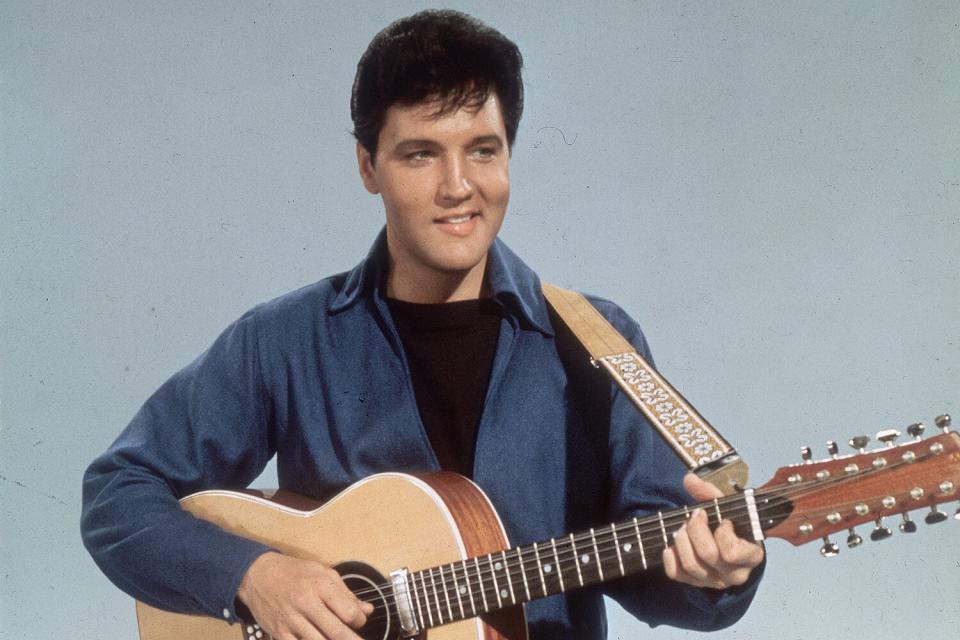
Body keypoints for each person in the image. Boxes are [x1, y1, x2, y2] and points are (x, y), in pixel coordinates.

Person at [81, 9, 764, 640]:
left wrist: (717, 574)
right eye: (421, 154)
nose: (458, 186)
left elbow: (659, 562)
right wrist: (253, 576)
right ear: (368, 166)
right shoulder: (284, 341)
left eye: (484, 150)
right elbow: (117, 496)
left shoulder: (595, 340)